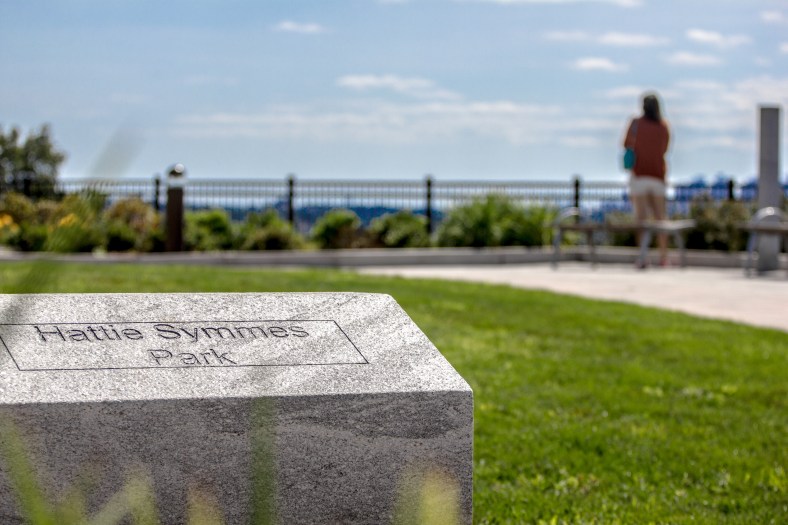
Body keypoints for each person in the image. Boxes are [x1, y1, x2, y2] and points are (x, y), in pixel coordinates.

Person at [623, 92, 671, 267]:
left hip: (639, 175)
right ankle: (664, 257)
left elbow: (625, 143)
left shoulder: (636, 124)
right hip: (658, 175)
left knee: (641, 219)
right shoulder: (664, 126)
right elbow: (665, 149)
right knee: (661, 219)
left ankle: (643, 257)